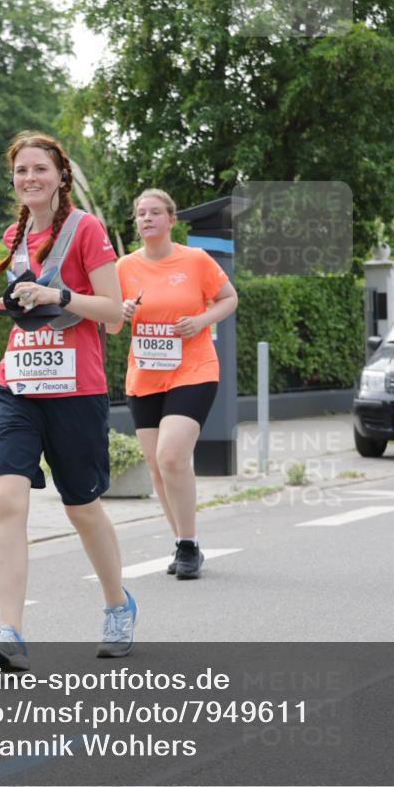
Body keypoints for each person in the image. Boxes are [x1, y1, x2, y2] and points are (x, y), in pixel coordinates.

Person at [0, 130, 137, 670]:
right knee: (7, 498)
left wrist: (57, 294)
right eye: (22, 171)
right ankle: (10, 631)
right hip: (16, 384)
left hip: (75, 389)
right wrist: (4, 309)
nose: (30, 178)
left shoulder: (86, 230)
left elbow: (113, 311)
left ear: (61, 176)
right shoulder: (13, 235)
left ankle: (117, 604)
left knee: (81, 506)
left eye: (40, 169)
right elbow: (32, 303)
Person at [108, 189, 238, 579]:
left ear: (171, 220)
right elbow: (111, 326)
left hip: (193, 369)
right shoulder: (123, 267)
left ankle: (187, 543)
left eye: (154, 213)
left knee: (171, 455)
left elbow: (229, 298)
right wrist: (122, 311)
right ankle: (184, 542)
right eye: (140, 214)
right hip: (145, 374)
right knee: (156, 465)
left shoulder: (195, 260)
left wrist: (201, 321)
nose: (146, 219)